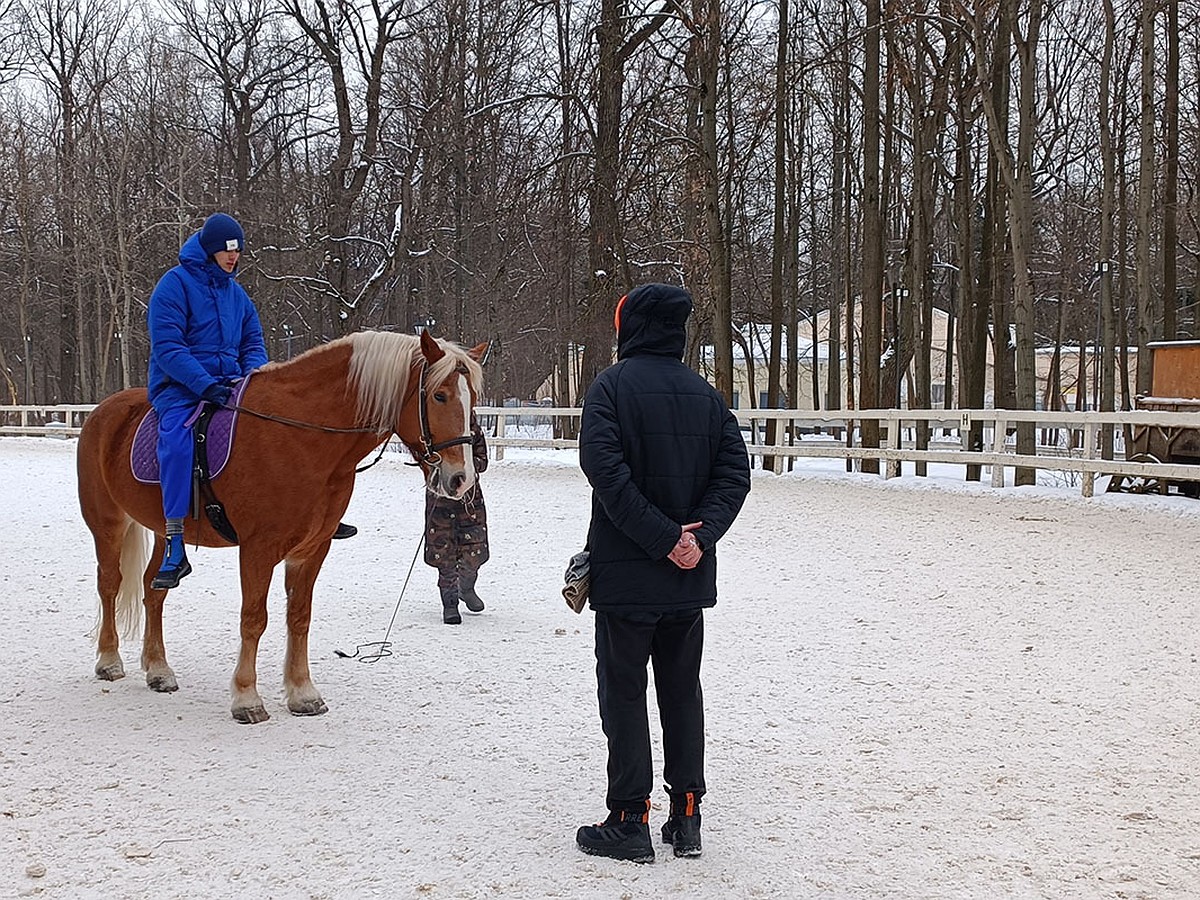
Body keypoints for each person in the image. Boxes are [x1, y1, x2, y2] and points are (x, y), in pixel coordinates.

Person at [574, 283, 751, 863]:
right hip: (686, 580)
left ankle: (629, 818)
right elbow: (735, 475)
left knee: (623, 695)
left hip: (628, 579)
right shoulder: (707, 397)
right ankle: (687, 815)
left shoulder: (609, 389)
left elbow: (605, 472)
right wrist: (696, 539)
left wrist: (663, 539)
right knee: (682, 694)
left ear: (628, 328)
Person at [146, 212, 354, 590]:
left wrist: (255, 379)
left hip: (232, 385)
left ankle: (316, 515)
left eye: (238, 251)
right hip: (180, 388)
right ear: (210, 250)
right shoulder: (173, 286)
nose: (233, 257)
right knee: (177, 443)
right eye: (227, 251)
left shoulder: (236, 295)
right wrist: (205, 384)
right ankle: (174, 540)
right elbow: (169, 348)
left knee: (283, 431)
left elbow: (252, 342)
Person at [424, 412, 490, 625]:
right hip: (441, 499)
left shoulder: (472, 429)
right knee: (445, 553)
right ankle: (449, 603)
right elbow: (424, 459)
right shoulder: (435, 427)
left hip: (469, 500)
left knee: (474, 549)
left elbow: (483, 459)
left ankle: (467, 587)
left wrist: (469, 468)